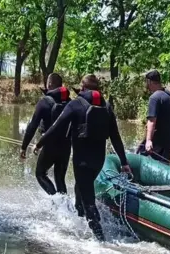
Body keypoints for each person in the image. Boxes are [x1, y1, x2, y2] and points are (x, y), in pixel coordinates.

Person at [34, 74, 131, 242]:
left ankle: (101, 242)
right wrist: (124, 162)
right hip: (98, 162)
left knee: (88, 201)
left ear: (83, 88)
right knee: (80, 191)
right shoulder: (107, 107)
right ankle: (78, 225)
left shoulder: (75, 104)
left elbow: (56, 127)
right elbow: (116, 138)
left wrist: (39, 143)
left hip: (82, 162)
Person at [20, 73, 71, 195]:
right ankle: (65, 206)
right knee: (60, 178)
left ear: (49, 84)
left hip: (49, 145)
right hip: (66, 146)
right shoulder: (70, 102)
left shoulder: (44, 102)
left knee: (40, 174)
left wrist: (24, 147)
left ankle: (56, 202)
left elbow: (32, 126)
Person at [136, 69, 170, 164]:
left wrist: (149, 140)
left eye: (146, 82)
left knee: (139, 157)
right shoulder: (169, 95)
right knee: (164, 166)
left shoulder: (154, 98)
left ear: (149, 81)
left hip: (157, 142)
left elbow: (152, 121)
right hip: (169, 140)